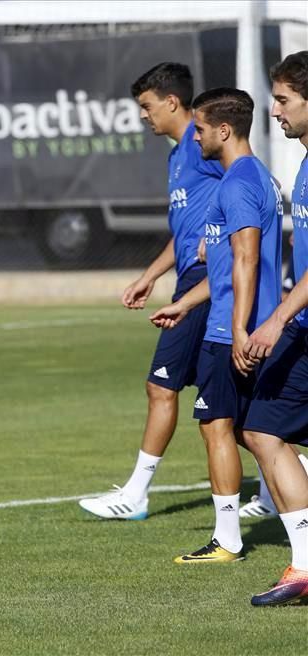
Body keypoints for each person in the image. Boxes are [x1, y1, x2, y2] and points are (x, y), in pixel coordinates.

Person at [79, 63, 221, 520]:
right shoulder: (177, 155)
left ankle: (136, 494)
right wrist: (149, 275)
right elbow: (181, 233)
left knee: (161, 385)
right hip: (185, 280)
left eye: (147, 106)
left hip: (205, 284)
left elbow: (250, 182)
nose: (144, 116)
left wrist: (220, 234)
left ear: (172, 101)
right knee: (223, 400)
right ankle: (281, 479)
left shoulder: (203, 147)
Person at [150, 87, 284, 563]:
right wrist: (185, 304)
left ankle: (227, 540)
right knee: (252, 431)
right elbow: (227, 266)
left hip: (231, 332)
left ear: (223, 130)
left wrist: (240, 328)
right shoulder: (252, 178)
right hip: (232, 324)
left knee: (216, 425)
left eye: (201, 129)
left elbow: (246, 259)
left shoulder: (239, 182)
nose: (196, 137)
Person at [241, 50, 308, 606]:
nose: (275, 109)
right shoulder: (305, 163)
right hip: (304, 323)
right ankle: (306, 566)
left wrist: (277, 316)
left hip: (298, 321)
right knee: (261, 428)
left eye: (284, 99)